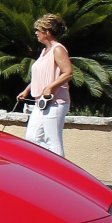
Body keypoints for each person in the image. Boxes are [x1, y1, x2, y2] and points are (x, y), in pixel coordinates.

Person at [17, 13, 74, 157]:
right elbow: (41, 75)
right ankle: (50, 162)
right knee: (32, 138)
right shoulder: (44, 51)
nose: (36, 33)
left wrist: (50, 87)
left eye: (38, 30)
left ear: (47, 33)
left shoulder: (58, 49)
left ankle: (60, 171)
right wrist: (26, 90)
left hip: (55, 102)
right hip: (40, 102)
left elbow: (68, 73)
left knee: (53, 141)